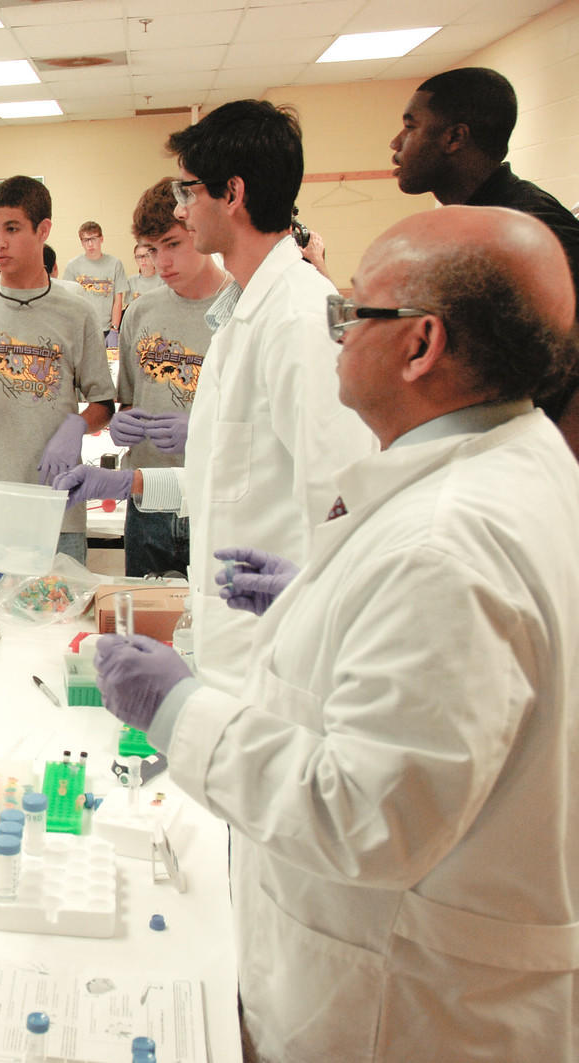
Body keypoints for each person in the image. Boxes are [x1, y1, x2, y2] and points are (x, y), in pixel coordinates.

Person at [93, 206, 579, 1062]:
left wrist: (177, 708)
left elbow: (366, 813)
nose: (335, 334)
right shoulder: (511, 461)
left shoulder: (444, 546)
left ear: (420, 344)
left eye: (350, 315)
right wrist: (321, 603)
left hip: (404, 1006)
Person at [55, 100, 374, 695]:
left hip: (281, 661)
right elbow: (232, 478)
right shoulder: (243, 315)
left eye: (188, 191)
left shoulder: (299, 319)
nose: (179, 208)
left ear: (233, 192)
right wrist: (126, 484)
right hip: (234, 646)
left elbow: (345, 505)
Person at [390, 65, 579, 454]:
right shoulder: (469, 223)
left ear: (455, 137)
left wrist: (555, 467)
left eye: (411, 126)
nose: (396, 142)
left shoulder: (531, 229)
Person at [0, 175, 114, 565]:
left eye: (12, 229)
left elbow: (103, 403)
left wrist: (76, 425)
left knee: (59, 620)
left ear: (43, 229)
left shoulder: (75, 312)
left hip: (57, 505)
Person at [107, 179, 232, 578]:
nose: (161, 263)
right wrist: (120, 422)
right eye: (151, 250)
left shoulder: (241, 309)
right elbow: (128, 400)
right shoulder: (141, 313)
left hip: (217, 500)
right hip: (148, 500)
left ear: (198, 230)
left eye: (173, 244)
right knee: (144, 621)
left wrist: (200, 430)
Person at [62, 220, 130, 341]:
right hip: (82, 329)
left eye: (93, 238)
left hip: (107, 329)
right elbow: (69, 301)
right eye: (85, 240)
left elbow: (118, 300)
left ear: (101, 239)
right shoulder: (73, 266)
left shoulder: (115, 264)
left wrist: (114, 329)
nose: (90, 244)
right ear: (81, 242)